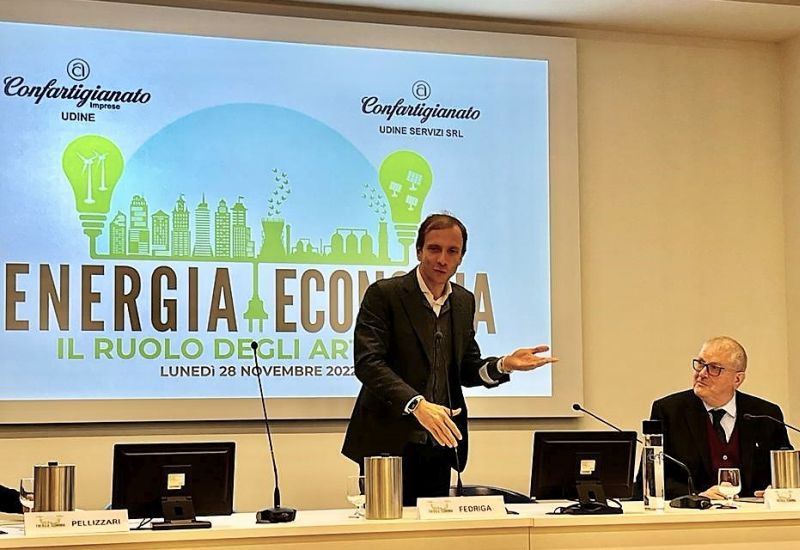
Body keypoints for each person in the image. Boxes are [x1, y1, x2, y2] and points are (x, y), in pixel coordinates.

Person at [341, 213, 558, 505]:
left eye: (452, 251)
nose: (442, 259)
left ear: (461, 258)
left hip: (440, 444)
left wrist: (504, 364)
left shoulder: (463, 301)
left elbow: (466, 368)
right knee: (389, 528)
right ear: (419, 251)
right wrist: (417, 405)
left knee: (435, 529)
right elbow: (368, 363)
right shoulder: (385, 295)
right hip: (387, 444)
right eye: (434, 249)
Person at [649, 336, 791, 499]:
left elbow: (785, 474)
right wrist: (697, 496)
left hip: (753, 512)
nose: (702, 373)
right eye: (700, 364)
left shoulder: (766, 415)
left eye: (714, 368)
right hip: (694, 512)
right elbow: (651, 478)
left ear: (737, 379)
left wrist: (775, 490)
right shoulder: (669, 411)